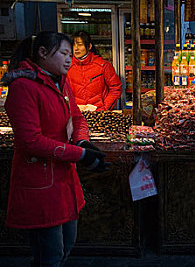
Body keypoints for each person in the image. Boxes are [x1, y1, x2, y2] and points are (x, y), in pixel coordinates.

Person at [1, 31, 109, 267]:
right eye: (64, 53)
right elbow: (31, 141)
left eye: (71, 54)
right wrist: (78, 154)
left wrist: (82, 142)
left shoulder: (61, 81)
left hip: (64, 181)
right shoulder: (23, 87)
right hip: (39, 183)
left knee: (67, 246)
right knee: (49, 255)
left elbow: (77, 117)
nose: (69, 59)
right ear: (42, 53)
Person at [67, 31, 122, 110]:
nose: (76, 48)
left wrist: (104, 108)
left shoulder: (103, 65)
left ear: (89, 46)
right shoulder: (67, 66)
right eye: (73, 45)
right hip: (76, 113)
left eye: (80, 45)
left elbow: (115, 89)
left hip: (99, 113)